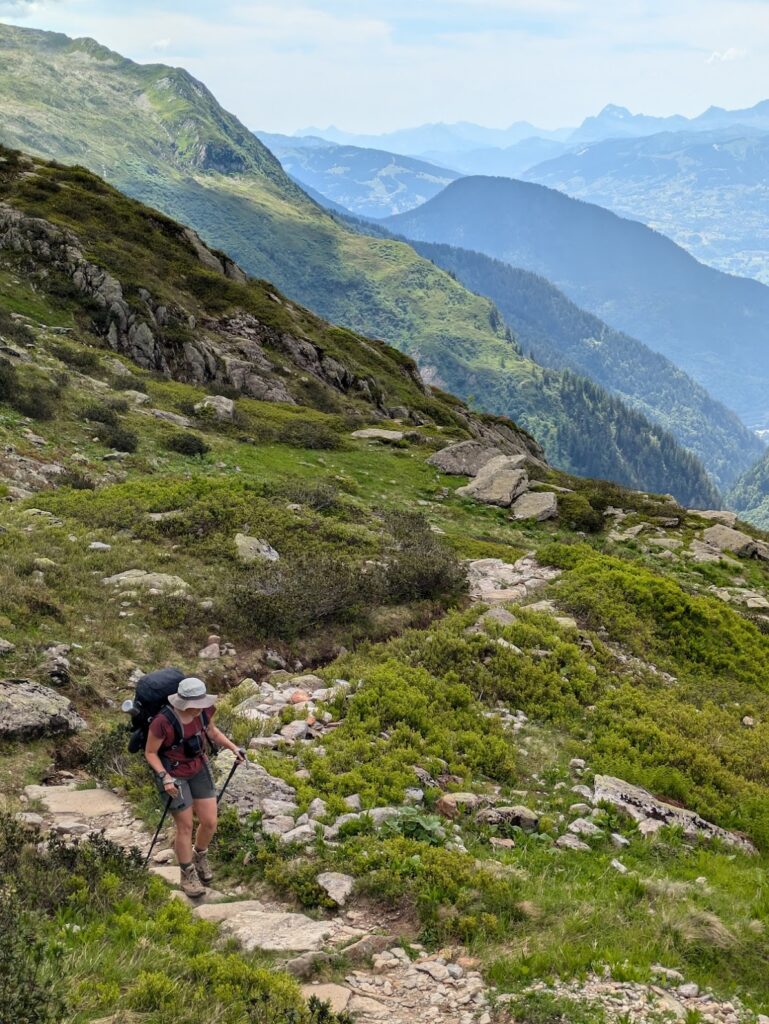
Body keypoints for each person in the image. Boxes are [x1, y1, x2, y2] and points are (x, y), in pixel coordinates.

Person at [144, 676, 245, 897]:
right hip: (174, 774)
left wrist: (232, 747)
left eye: (202, 703)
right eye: (196, 705)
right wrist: (165, 777)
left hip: (199, 767)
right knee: (186, 826)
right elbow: (150, 753)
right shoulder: (162, 722)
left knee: (210, 822)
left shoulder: (205, 711)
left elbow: (212, 731)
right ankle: (187, 873)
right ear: (183, 702)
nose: (200, 708)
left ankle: (200, 856)